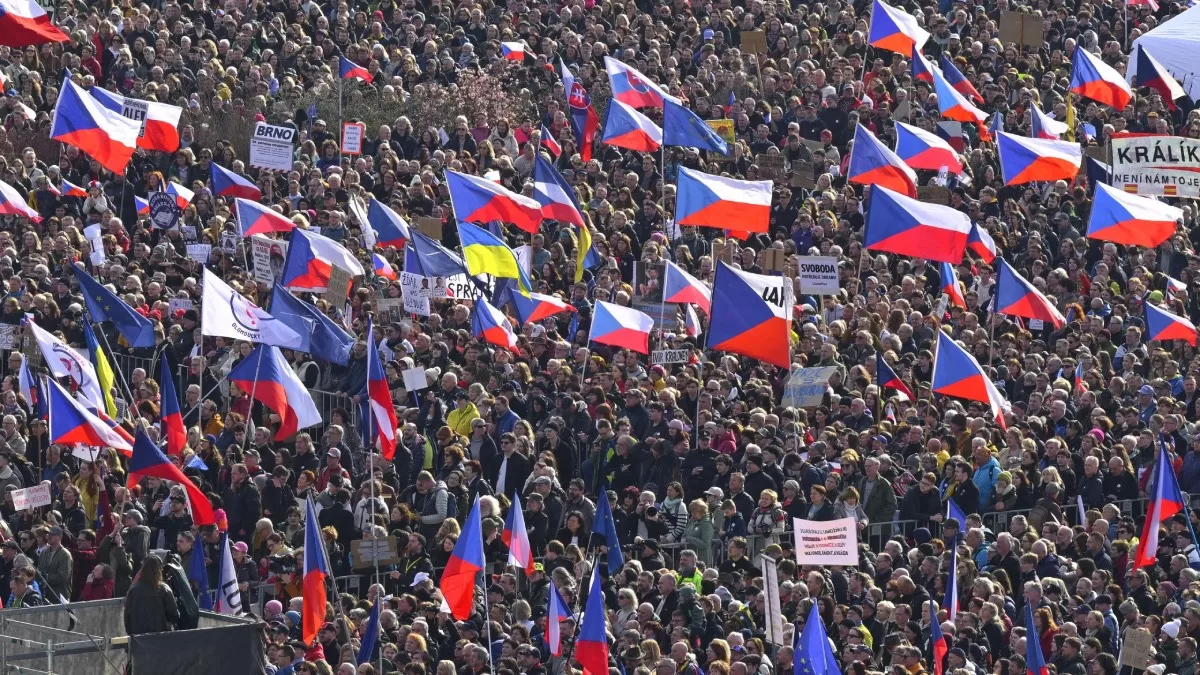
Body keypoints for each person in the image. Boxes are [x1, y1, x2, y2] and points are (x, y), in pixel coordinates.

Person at [123, 555, 179, 635]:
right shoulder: (164, 589)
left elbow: (127, 616)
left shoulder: (133, 590)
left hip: (139, 637)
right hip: (160, 636)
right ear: (159, 570)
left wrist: (130, 633)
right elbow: (174, 614)